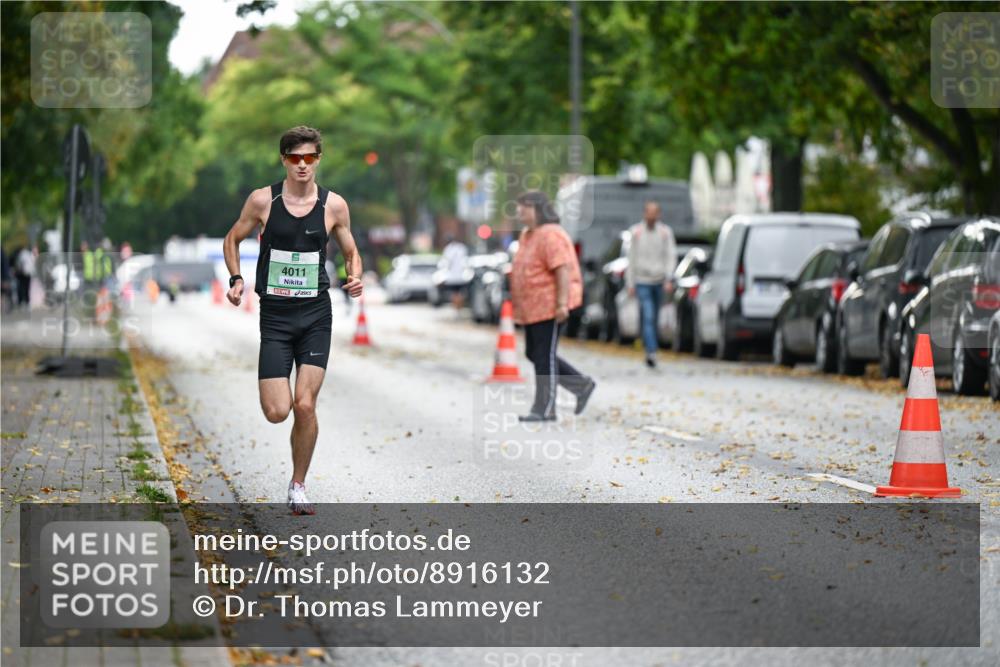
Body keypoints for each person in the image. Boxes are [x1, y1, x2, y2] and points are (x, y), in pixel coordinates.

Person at [223, 125, 363, 515]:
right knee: (277, 411)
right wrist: (236, 279)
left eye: (311, 158)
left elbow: (352, 250)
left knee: (304, 405)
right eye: (295, 158)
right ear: (284, 160)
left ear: (319, 159)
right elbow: (232, 238)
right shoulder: (262, 201)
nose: (303, 165)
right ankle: (296, 474)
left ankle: (298, 485)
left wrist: (355, 275)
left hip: (316, 314)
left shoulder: (334, 206)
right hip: (276, 319)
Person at [509, 190, 596, 421]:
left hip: (549, 305)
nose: (519, 211)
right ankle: (581, 385)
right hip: (532, 308)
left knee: (544, 355)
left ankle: (545, 408)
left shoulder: (551, 235)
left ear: (537, 209)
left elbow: (562, 269)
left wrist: (561, 304)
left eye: (523, 207)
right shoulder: (528, 234)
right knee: (535, 353)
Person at [626, 201, 677, 368]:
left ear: (659, 215)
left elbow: (671, 256)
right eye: (649, 212)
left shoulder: (665, 233)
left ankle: (649, 345)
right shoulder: (636, 232)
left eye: (655, 212)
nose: (652, 216)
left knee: (654, 317)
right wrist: (630, 282)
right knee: (648, 314)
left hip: (659, 281)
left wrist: (669, 278)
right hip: (642, 281)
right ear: (644, 213)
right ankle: (652, 351)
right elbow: (631, 259)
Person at [441, 234, 469, 310]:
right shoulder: (461, 247)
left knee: (454, 295)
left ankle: (457, 309)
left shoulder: (448, 249)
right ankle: (459, 308)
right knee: (459, 295)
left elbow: (446, 263)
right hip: (461, 276)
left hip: (453, 277)